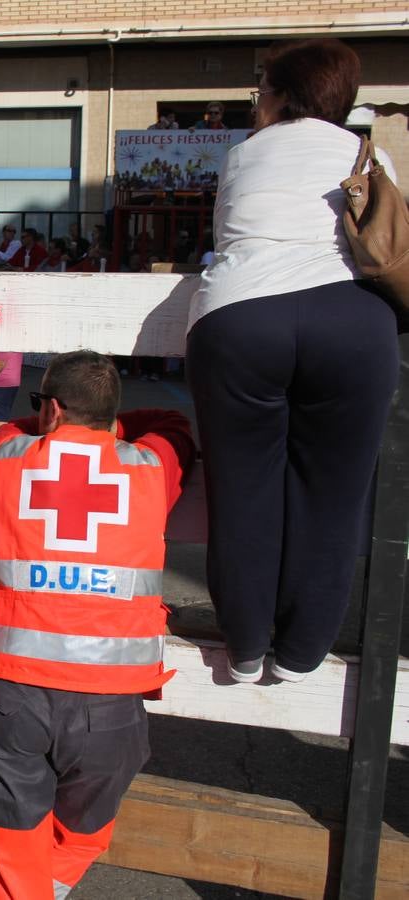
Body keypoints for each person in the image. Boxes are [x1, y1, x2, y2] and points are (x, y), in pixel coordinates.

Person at [187, 38, 400, 684]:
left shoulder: (243, 157)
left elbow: (230, 236)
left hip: (243, 318)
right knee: (334, 494)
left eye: (262, 91)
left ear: (281, 96)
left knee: (243, 486)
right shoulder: (369, 155)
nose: (256, 103)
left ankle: (247, 647)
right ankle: (304, 651)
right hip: (353, 325)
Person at [0, 350, 194, 900]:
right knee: (85, 836)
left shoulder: (8, 457)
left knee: (11, 847)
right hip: (110, 699)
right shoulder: (151, 466)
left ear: (50, 410)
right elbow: (172, 425)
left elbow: (5, 429)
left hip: (15, 690)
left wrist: (47, 418)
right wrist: (109, 421)